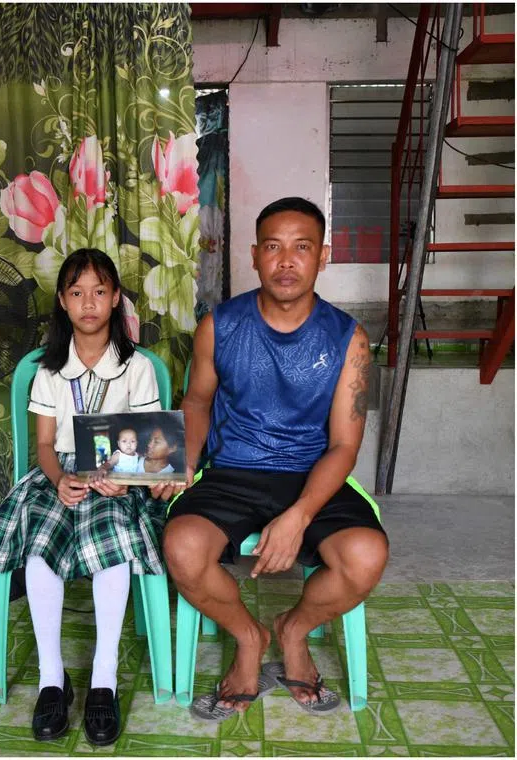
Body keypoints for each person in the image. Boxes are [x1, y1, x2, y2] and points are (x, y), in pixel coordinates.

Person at [163, 197, 387, 722]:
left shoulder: (348, 338)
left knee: (365, 557)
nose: (286, 261)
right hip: (233, 470)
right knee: (182, 546)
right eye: (273, 247)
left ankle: (293, 629)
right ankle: (248, 636)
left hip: (312, 475)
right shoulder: (220, 325)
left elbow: (344, 447)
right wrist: (181, 464)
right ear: (255, 255)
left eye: (301, 247)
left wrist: (299, 515)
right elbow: (195, 403)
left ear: (322, 256)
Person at [0, 248, 176, 747]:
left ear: (115, 300)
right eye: (76, 292)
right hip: (61, 472)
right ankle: (52, 678)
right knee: (40, 536)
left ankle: (103, 680)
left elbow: (152, 443)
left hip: (119, 479)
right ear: (63, 304)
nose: (89, 302)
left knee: (111, 534)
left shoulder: (138, 368)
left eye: (100, 291)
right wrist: (59, 479)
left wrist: (125, 477)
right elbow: (44, 446)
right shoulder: (47, 370)